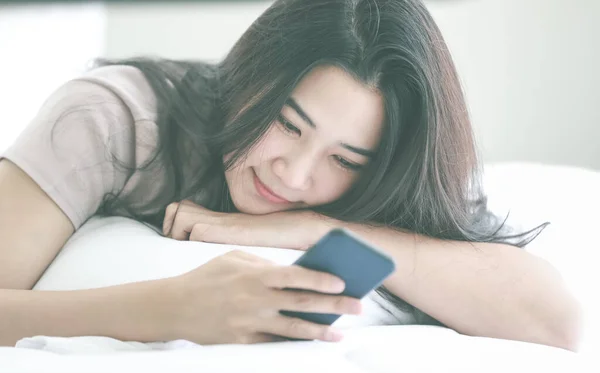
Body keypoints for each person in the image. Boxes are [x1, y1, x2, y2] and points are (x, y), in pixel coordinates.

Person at [0, 0, 582, 350]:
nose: (296, 174)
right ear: (249, 74)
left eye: (346, 159)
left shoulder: (393, 178)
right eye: (287, 123)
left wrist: (313, 230)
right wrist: (170, 311)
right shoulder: (117, 118)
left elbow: (557, 324)